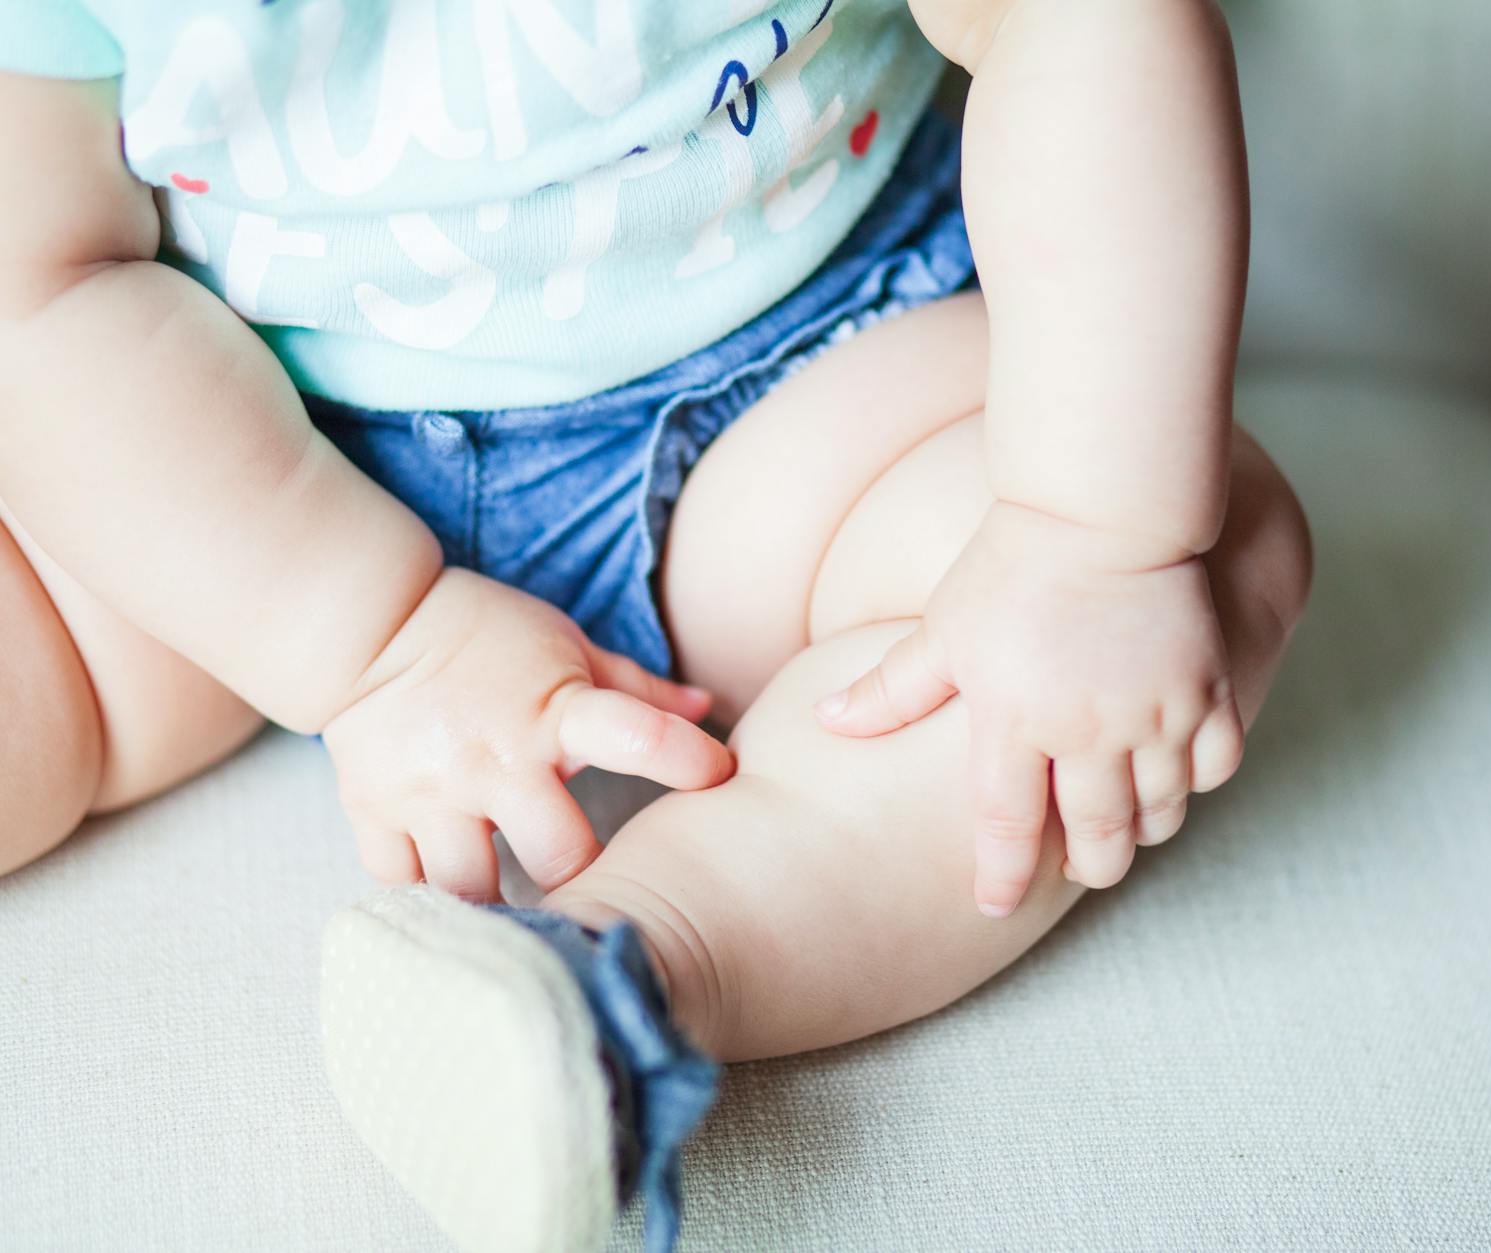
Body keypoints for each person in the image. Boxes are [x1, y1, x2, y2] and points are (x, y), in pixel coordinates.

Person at [0, 1, 1310, 1249]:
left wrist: (1089, 534)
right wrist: (367, 637)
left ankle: (626, 969)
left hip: (805, 394)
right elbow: (43, 291)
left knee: (1194, 554)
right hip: (245, 472)